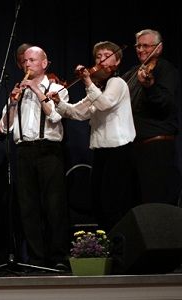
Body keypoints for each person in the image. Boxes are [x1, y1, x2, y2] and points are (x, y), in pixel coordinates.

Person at [0, 46, 70, 270]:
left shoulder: (57, 88)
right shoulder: (18, 91)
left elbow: (55, 116)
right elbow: (4, 128)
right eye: (25, 61)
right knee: (28, 208)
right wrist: (13, 103)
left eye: (33, 60)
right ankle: (36, 259)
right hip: (24, 152)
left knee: (54, 206)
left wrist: (37, 91)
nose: (28, 64)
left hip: (49, 151)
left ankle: (58, 257)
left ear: (44, 63)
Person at [48, 41, 137, 231]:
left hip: (119, 150)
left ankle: (119, 247)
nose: (101, 59)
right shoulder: (99, 88)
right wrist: (58, 103)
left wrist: (88, 81)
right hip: (101, 150)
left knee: (113, 202)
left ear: (118, 60)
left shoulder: (117, 83)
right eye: (98, 56)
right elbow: (78, 112)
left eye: (107, 54)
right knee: (98, 202)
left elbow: (105, 104)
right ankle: (106, 247)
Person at [122, 29, 182, 206]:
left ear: (159, 48)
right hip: (135, 147)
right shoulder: (133, 72)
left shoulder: (166, 69)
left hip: (156, 146)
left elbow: (165, 104)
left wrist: (150, 87)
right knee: (136, 203)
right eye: (138, 46)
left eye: (146, 45)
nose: (141, 49)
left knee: (155, 203)